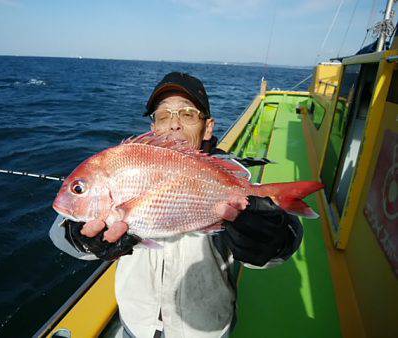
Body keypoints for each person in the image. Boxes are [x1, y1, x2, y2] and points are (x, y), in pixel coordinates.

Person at [50, 72, 303, 338]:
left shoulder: (236, 178)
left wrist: (270, 239)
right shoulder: (124, 165)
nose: (174, 125)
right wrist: (79, 237)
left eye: (187, 114)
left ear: (207, 127)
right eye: (163, 116)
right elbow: (60, 231)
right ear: (153, 129)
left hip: (207, 330)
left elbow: (284, 242)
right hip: (136, 327)